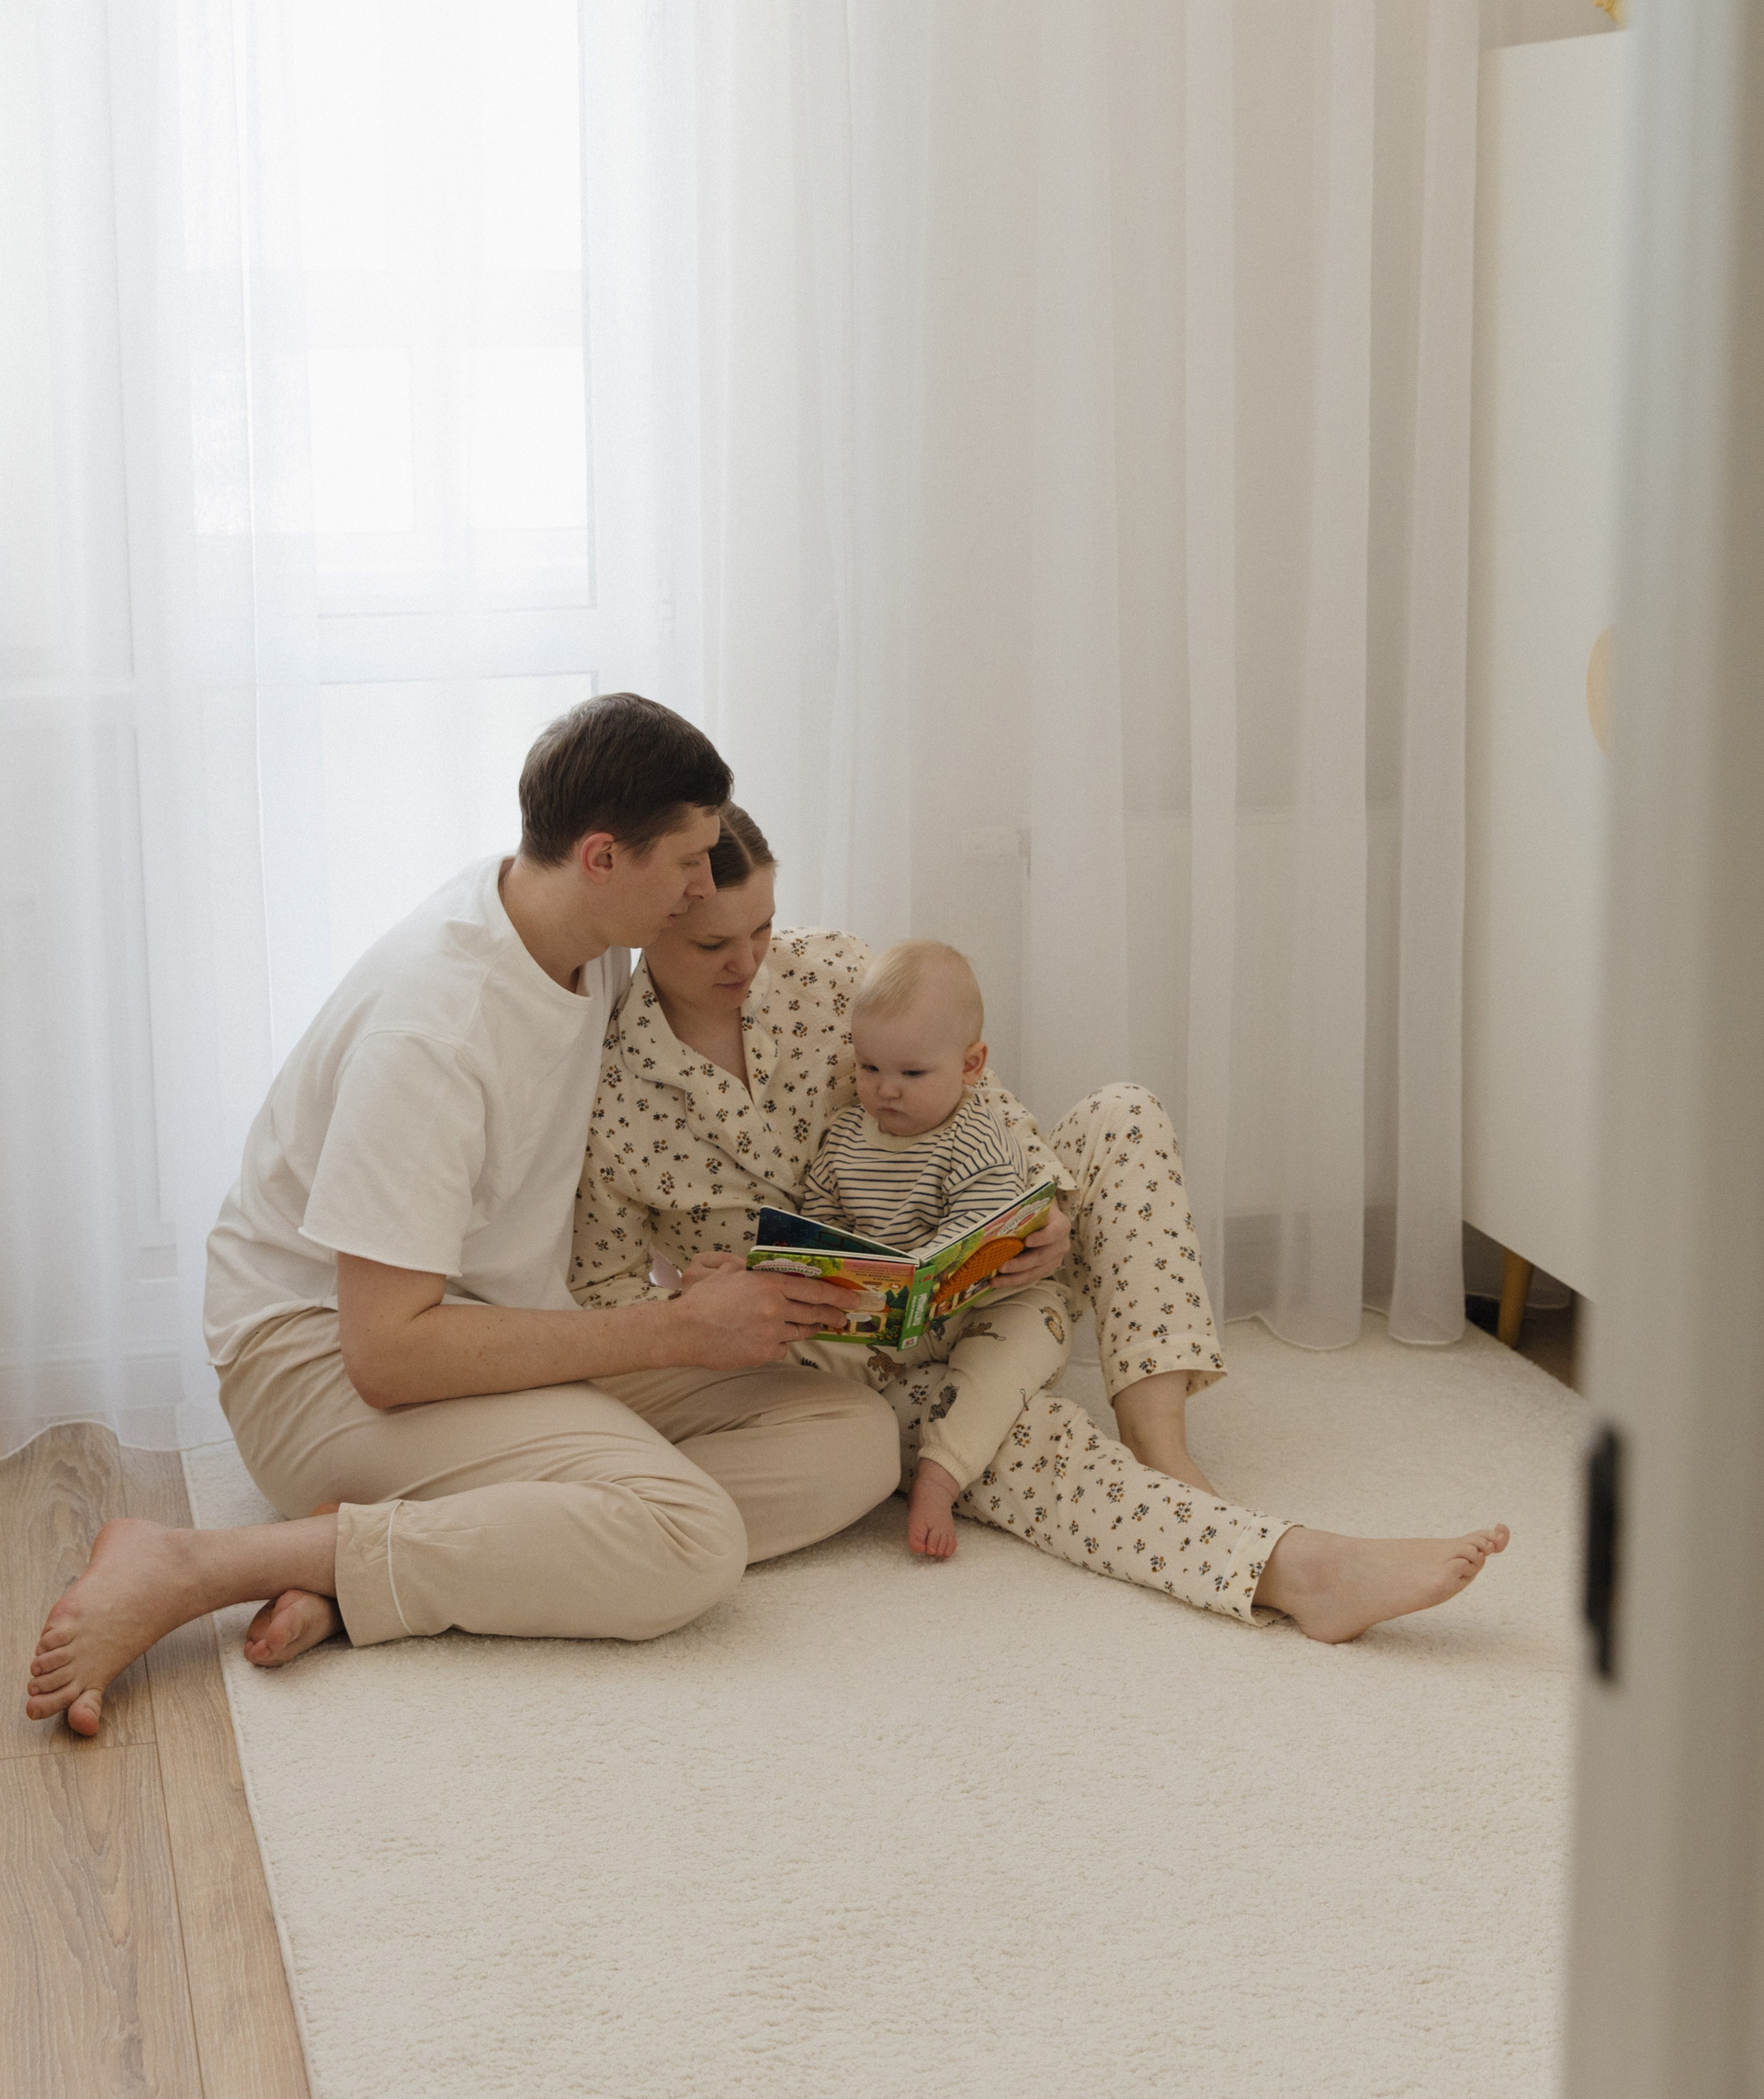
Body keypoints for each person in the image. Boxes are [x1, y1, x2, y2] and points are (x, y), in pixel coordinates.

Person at [25, 697, 898, 1738]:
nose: (703, 888)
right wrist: (671, 1329)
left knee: (855, 1436)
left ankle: (374, 1554)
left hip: (490, 1324)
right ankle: (205, 1562)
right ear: (603, 856)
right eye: (688, 864)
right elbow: (386, 1355)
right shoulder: (435, 1032)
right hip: (317, 1363)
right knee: (688, 1539)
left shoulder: (580, 929)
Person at [572, 806, 1510, 1640]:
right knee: (1006, 1442)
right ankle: (1292, 1569)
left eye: (763, 928)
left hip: (996, 1281)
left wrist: (1049, 1203)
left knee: (1125, 1114)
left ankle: (1163, 1447)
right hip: (847, 1362)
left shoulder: (834, 973)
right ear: (653, 922)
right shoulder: (612, 1090)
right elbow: (605, 1301)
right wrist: (694, 1310)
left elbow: (976, 1097)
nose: (748, 961)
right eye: (714, 944)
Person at [797, 937, 1069, 1560]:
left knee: (1011, 1356)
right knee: (794, 1346)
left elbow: (984, 1223)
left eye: (911, 1073)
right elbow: (821, 1218)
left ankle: (941, 1477)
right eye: (869, 1068)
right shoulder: (845, 1137)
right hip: (893, 1319)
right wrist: (822, 1262)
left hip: (992, 1304)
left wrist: (929, 1269)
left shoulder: (977, 1134)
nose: (886, 1090)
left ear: (971, 1065)